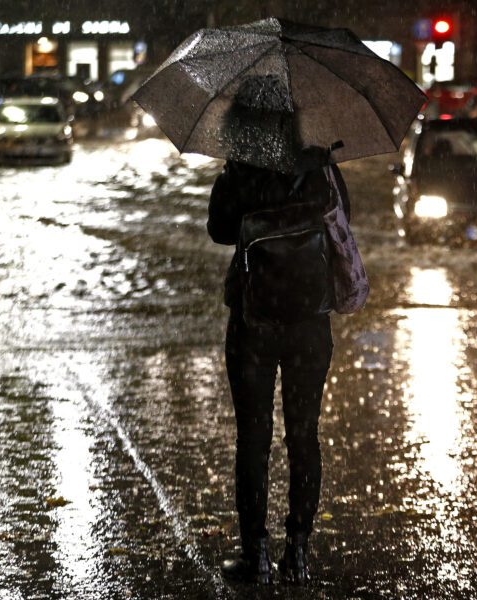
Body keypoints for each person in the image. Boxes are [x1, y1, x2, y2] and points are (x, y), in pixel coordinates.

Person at [207, 155, 350, 585]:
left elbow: (219, 230)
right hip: (309, 322)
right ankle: (299, 552)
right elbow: (343, 224)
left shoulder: (243, 169)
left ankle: (258, 556)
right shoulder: (323, 169)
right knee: (304, 435)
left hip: (254, 322)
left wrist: (239, 181)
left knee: (254, 437)